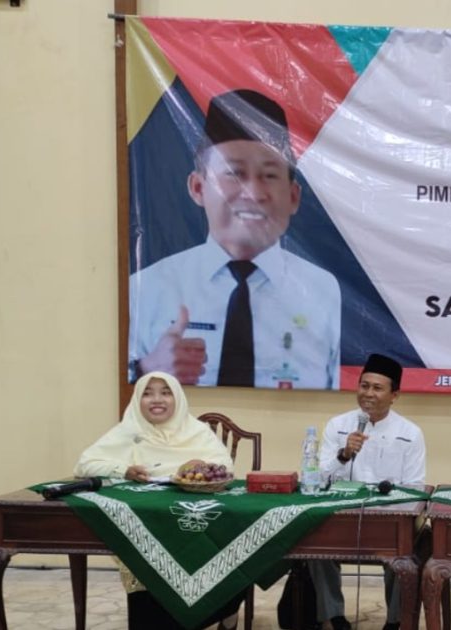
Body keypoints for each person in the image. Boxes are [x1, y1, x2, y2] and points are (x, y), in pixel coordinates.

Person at [129, 88, 341, 390]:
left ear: (294, 197)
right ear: (198, 188)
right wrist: (148, 370)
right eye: (233, 173)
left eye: (270, 175)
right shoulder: (147, 288)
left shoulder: (322, 291)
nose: (253, 193)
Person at [74, 371, 242, 630]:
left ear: (178, 399)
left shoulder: (197, 432)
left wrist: (196, 469)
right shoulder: (128, 432)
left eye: (165, 393)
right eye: (147, 393)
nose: (157, 400)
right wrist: (124, 470)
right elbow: (85, 465)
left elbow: (224, 467)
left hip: (195, 519)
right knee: (145, 561)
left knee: (229, 547)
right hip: (146, 518)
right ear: (137, 400)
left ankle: (223, 610)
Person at [286, 353, 425, 630]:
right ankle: (332, 618)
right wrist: (344, 454)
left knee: (405, 556)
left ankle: (395, 622)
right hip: (341, 517)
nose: (368, 394)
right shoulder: (338, 425)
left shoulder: (410, 432)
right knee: (315, 545)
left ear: (394, 395)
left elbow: (416, 488)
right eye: (364, 386)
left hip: (387, 520)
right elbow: (316, 479)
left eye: (377, 388)